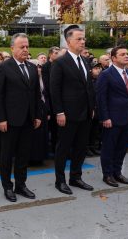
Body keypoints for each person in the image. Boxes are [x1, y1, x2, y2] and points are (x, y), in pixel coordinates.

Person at [0, 33, 41, 202]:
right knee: (7, 155)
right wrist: (1, 119)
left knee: (23, 154)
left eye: (27, 46)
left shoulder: (32, 67)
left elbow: (35, 93)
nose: (25, 50)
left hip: (28, 119)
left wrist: (37, 115)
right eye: (22, 47)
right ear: (12, 48)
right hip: (10, 120)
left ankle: (21, 184)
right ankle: (7, 186)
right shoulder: (3, 67)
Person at [50, 25, 95, 195]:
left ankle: (76, 177)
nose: (83, 42)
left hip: (85, 113)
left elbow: (88, 87)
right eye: (79, 39)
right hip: (67, 114)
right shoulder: (60, 62)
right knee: (63, 148)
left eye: (83, 39)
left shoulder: (84, 61)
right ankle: (60, 181)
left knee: (81, 147)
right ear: (69, 41)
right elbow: (54, 89)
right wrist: (59, 112)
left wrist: (92, 107)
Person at [96, 46, 128, 187]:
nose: (127, 56)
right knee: (109, 147)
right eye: (123, 54)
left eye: (127, 54)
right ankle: (107, 175)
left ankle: (117, 172)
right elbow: (101, 98)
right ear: (114, 58)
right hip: (112, 118)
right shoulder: (106, 74)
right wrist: (105, 117)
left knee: (122, 147)